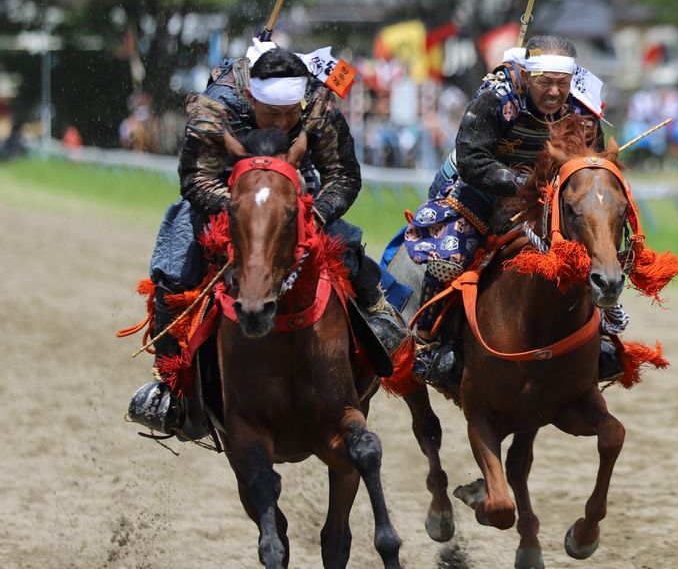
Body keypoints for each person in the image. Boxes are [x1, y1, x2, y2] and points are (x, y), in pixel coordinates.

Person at [127, 40, 406, 440]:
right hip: (224, 204)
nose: (280, 123)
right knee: (173, 271)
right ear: (250, 98)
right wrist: (246, 209)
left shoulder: (317, 104)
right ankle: (171, 385)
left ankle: (381, 326)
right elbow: (194, 177)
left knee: (352, 255)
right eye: (271, 114)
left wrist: (312, 211)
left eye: (289, 115)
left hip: (299, 201)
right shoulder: (217, 107)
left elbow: (343, 174)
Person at [394, 34, 623, 387]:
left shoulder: (580, 108)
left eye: (561, 84)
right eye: (545, 82)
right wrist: (518, 183)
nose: (553, 92)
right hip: (481, 190)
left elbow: (588, 161)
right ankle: (428, 344)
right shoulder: (496, 96)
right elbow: (471, 159)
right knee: (448, 260)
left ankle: (603, 335)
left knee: (596, 254)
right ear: (528, 76)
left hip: (547, 196)